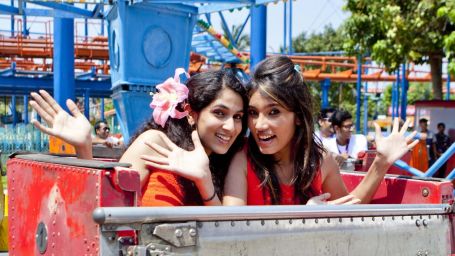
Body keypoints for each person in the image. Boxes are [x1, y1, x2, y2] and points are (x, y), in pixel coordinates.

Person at [146, 56, 419, 206]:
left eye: (273, 112)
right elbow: (227, 227)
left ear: (298, 117)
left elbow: (348, 207)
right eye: (253, 113)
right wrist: (304, 219)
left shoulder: (318, 161)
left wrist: (381, 163)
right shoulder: (244, 159)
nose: (259, 125)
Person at [29, 68, 248, 206]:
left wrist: (205, 182)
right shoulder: (155, 143)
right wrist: (84, 148)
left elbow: (225, 234)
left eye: (238, 117)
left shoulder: (230, 161)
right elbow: (104, 206)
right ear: (191, 113)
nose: (231, 126)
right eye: (219, 113)